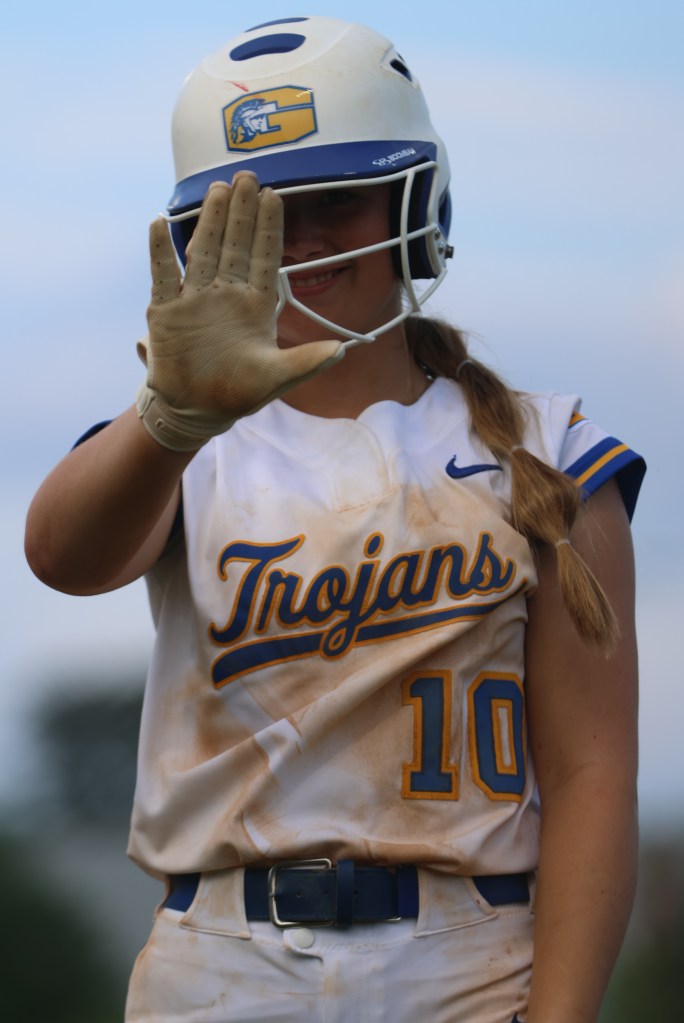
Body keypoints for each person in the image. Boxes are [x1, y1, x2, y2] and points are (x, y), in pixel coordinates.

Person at [25, 16, 645, 1023]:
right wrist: (168, 416)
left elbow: (591, 774)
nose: (303, 239)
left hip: (468, 959)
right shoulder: (181, 445)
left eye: (338, 199)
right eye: (267, 213)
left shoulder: (549, 449)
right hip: (220, 960)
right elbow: (61, 555)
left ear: (414, 200)